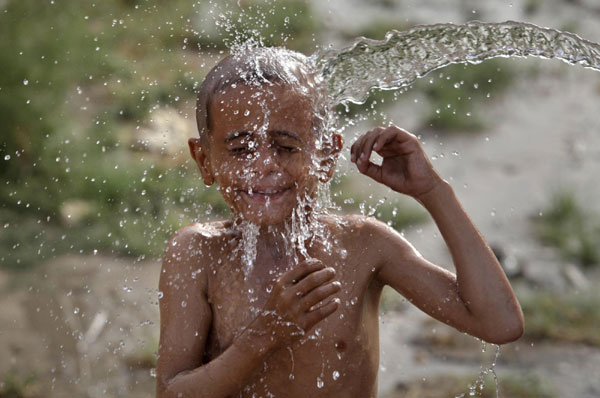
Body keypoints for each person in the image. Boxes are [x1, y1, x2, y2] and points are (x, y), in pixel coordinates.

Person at [155, 47, 524, 398]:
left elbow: (499, 324)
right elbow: (171, 393)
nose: (265, 164)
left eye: (285, 146)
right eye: (240, 149)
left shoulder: (362, 247)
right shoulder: (198, 254)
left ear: (326, 156)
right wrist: (262, 337)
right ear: (204, 160)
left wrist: (433, 192)